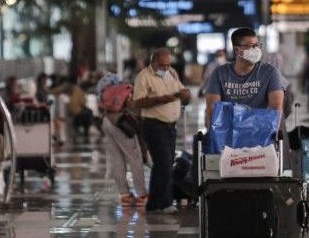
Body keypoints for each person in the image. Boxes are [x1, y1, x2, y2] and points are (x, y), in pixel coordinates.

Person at [133, 48, 191, 213]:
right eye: (163, 65)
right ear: (154, 62)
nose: (166, 68)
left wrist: (185, 95)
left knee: (164, 164)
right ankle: (165, 203)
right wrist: (160, 100)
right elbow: (137, 102)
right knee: (164, 162)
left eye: (168, 64)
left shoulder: (171, 73)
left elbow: (181, 92)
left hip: (170, 126)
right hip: (154, 125)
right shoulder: (143, 77)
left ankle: (153, 203)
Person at [205, 27, 285, 127]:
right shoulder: (219, 74)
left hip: (260, 134)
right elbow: (212, 109)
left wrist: (271, 137)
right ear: (237, 50)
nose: (255, 50)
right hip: (228, 134)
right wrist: (215, 138)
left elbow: (276, 108)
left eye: (257, 45)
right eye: (250, 46)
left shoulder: (270, 73)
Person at [97, 73, 148, 207]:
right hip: (121, 123)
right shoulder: (128, 89)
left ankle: (124, 195)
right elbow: (135, 109)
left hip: (107, 120)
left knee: (117, 159)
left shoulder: (108, 88)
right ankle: (142, 194)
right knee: (134, 157)